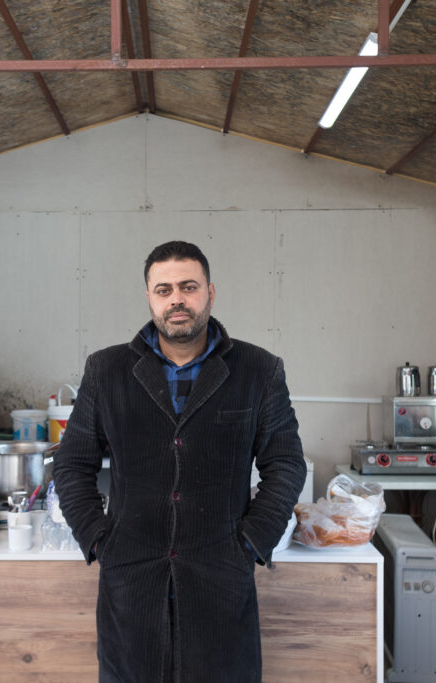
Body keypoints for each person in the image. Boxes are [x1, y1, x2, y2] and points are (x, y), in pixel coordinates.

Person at [53, 241, 306, 682]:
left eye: (188, 287)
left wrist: (250, 542)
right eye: (164, 289)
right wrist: (97, 538)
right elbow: (72, 464)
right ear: (149, 297)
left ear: (210, 292)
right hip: (130, 582)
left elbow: (285, 464)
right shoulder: (106, 370)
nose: (177, 299)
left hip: (221, 580)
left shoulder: (258, 369)